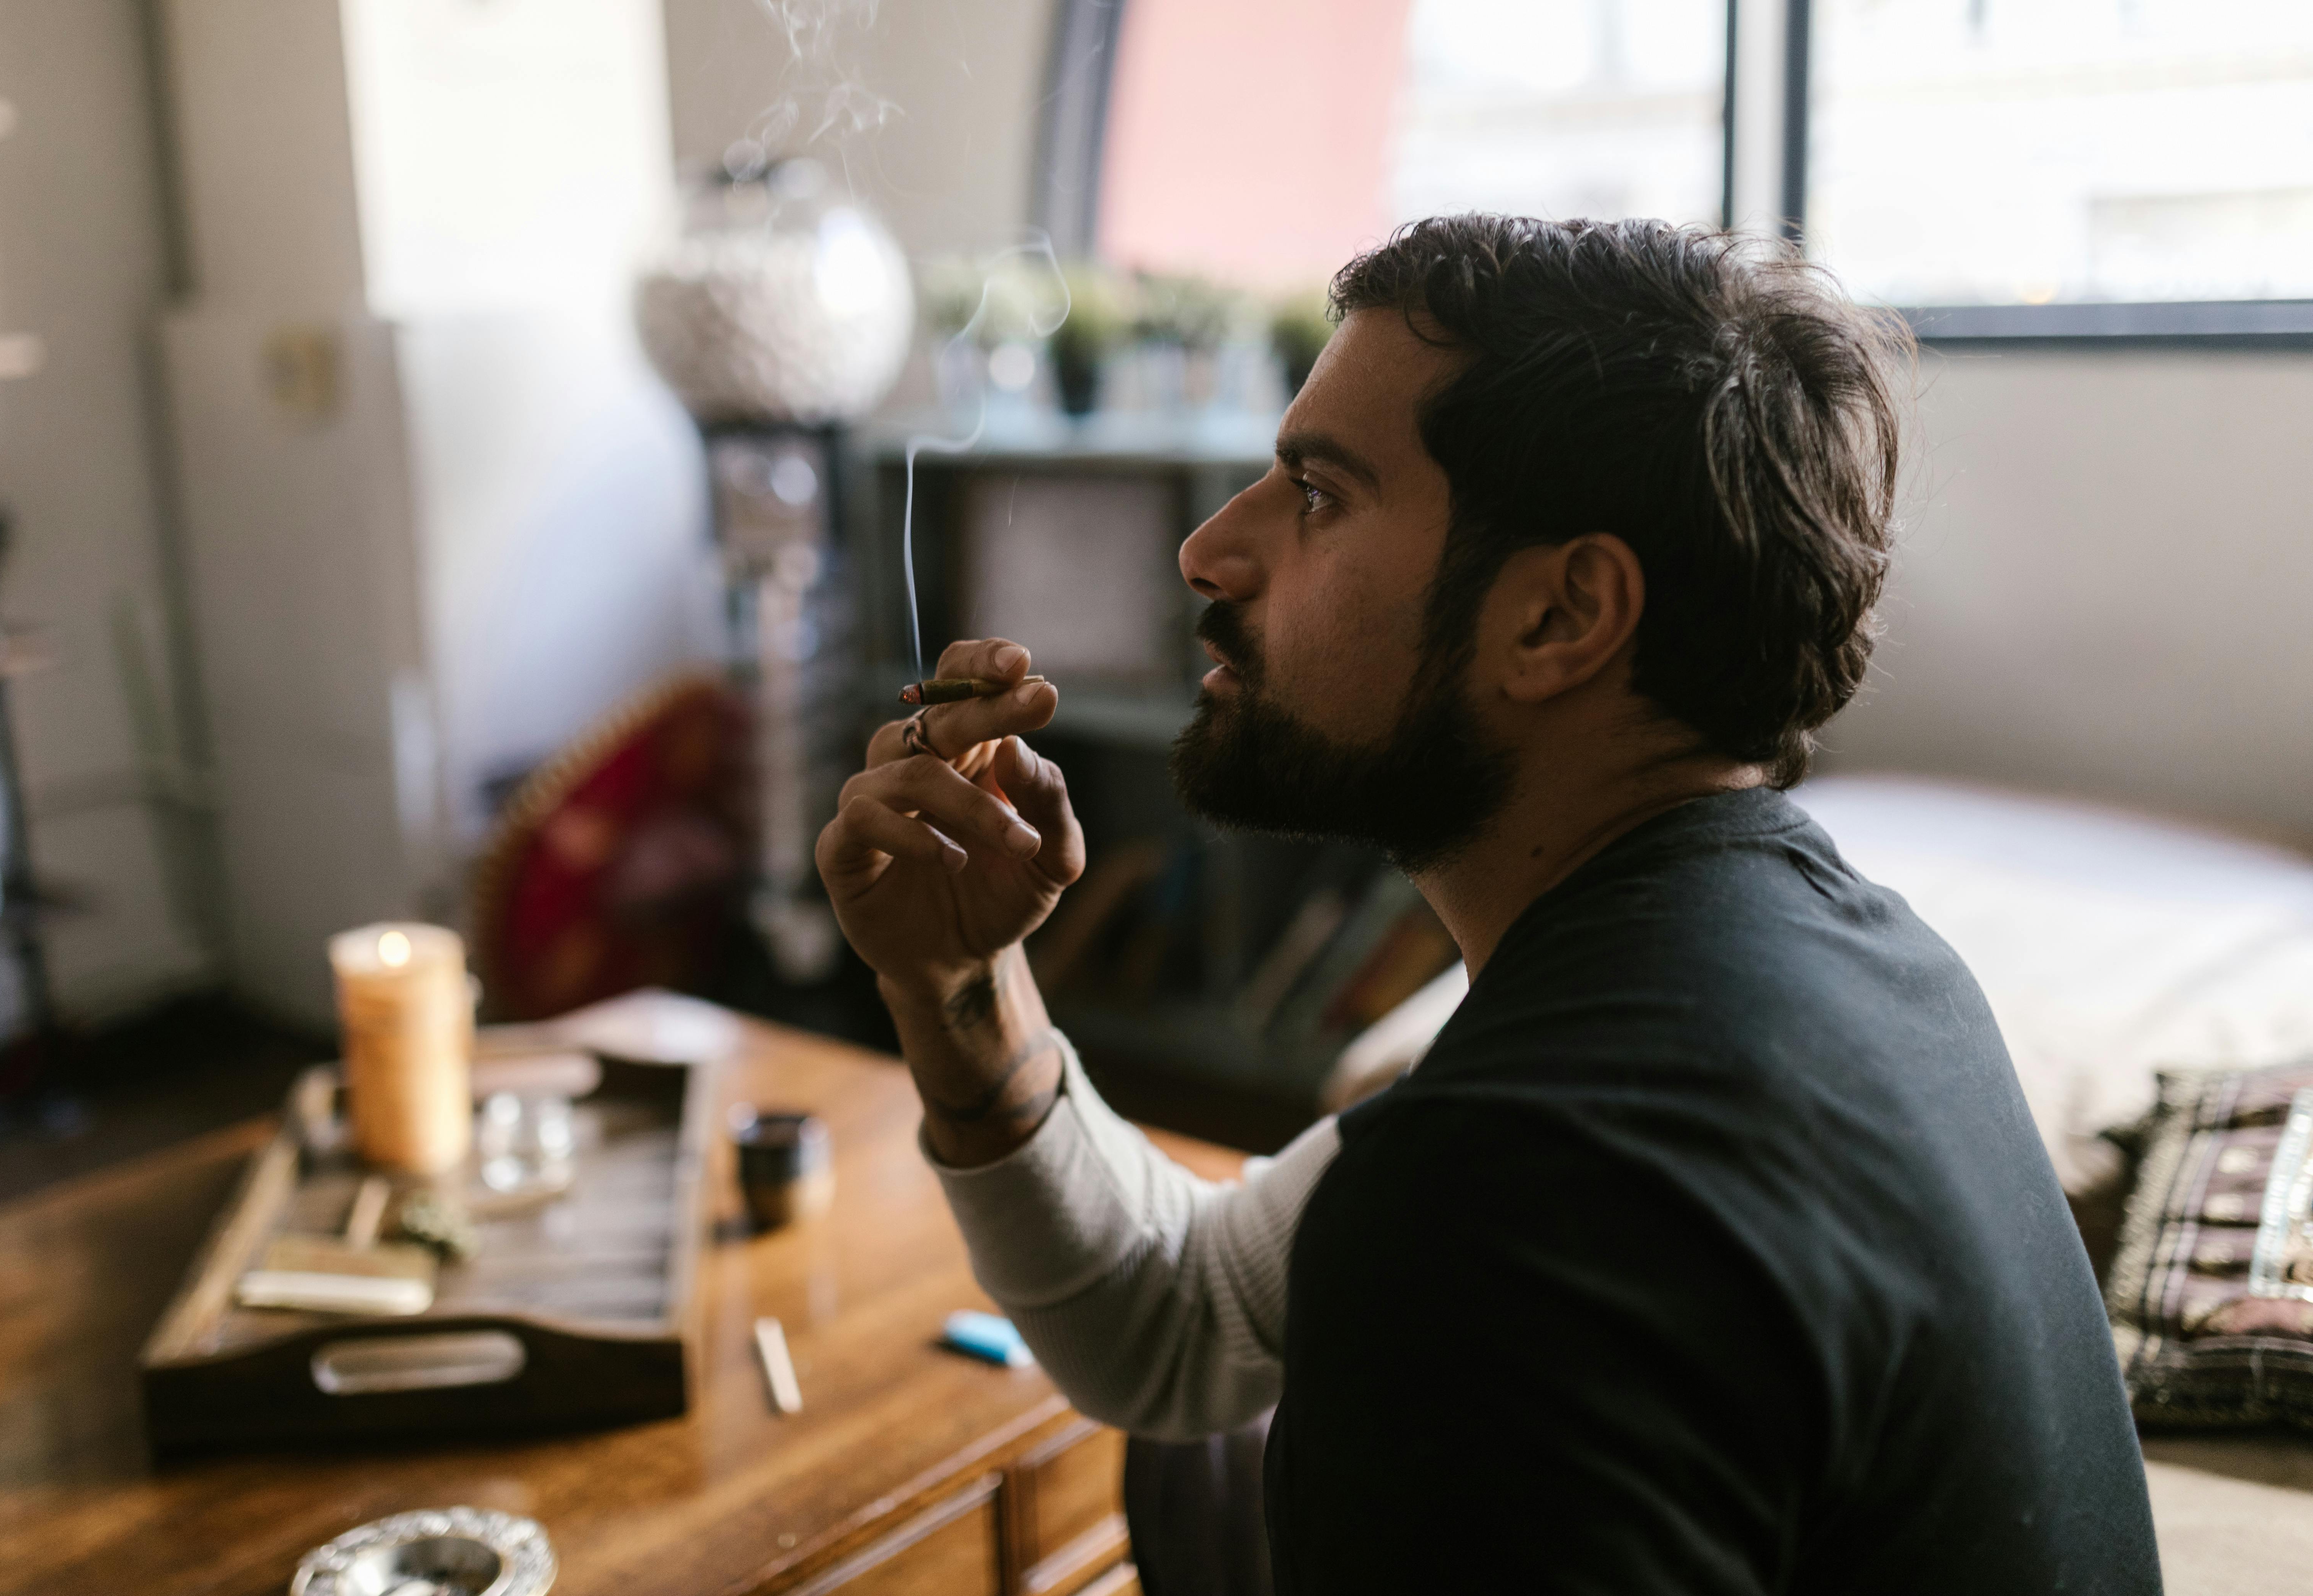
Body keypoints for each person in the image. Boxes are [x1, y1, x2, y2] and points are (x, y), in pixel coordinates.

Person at [815, 216, 2159, 1593]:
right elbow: (1180, 1312)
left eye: (1320, 494)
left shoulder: (1521, 1196)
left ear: (1561, 617)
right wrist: (960, 980)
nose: (1211, 549)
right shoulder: (1853, 962)